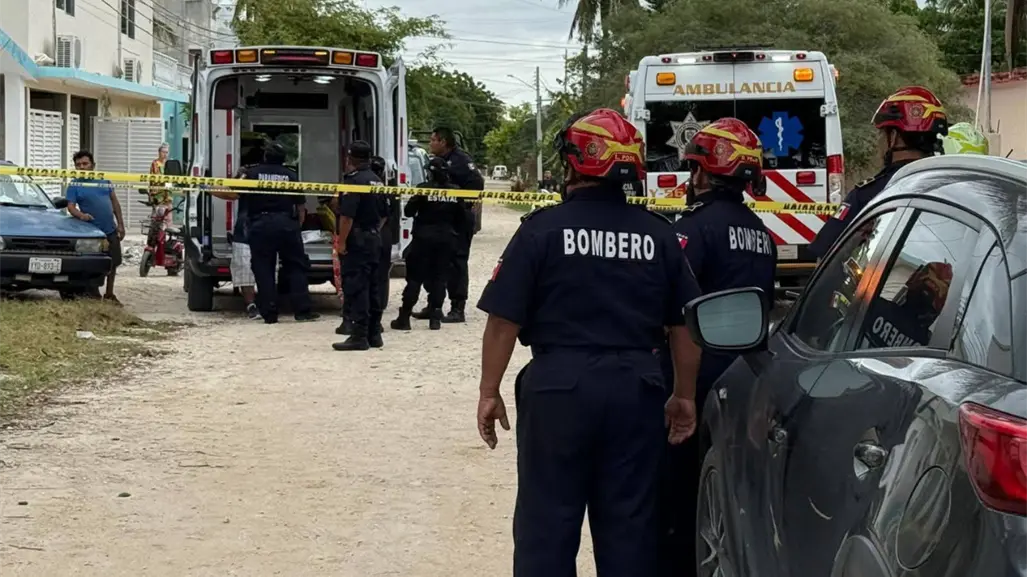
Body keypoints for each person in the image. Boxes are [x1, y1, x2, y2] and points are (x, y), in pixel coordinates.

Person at [475, 107, 704, 577]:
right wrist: (683, 395)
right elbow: (685, 326)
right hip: (636, 389)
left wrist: (488, 390)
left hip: (557, 387)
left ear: (575, 164)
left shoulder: (541, 229)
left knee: (547, 522)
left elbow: (503, 320)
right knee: (630, 525)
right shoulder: (659, 236)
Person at [657, 118, 778, 577]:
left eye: (694, 169)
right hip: (744, 378)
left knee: (677, 494)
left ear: (705, 174)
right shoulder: (762, 235)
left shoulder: (693, 229)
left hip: (695, 377)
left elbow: (670, 305)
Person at [809, 86, 948, 258]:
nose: (879, 143)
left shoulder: (868, 195)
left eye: (882, 135)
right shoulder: (952, 190)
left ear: (894, 137)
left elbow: (824, 251)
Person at [238, 143, 319, 324]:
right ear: (283, 159)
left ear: (265, 156)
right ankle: (302, 311)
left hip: (260, 224)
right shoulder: (291, 175)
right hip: (286, 224)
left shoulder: (252, 173)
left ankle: (269, 313)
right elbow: (300, 207)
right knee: (296, 266)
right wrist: (296, 227)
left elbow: (236, 193)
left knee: (263, 268)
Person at [413, 127, 485, 324]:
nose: (430, 143)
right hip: (440, 220)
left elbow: (477, 185)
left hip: (458, 220)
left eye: (433, 140)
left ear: (443, 142)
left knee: (456, 262)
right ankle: (434, 304)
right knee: (432, 261)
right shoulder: (438, 161)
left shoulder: (461, 161)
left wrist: (463, 205)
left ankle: (457, 307)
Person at [391, 156, 468, 331]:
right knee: (440, 278)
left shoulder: (423, 189)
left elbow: (409, 212)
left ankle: (404, 317)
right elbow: (462, 218)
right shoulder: (456, 192)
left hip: (423, 240)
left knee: (415, 278)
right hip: (446, 241)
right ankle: (435, 318)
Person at [332, 141, 387, 351]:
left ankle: (358, 335)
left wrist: (343, 241)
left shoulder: (353, 181)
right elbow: (384, 215)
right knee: (373, 286)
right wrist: (372, 232)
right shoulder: (376, 181)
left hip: (358, 241)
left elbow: (347, 217)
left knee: (356, 287)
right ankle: (374, 333)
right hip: (374, 238)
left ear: (350, 157)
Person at [66, 150, 126, 304]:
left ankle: (110, 294)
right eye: (78, 165)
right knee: (95, 263)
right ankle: (94, 294)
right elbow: (71, 207)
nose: (82, 167)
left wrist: (120, 224)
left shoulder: (103, 181)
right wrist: (82, 216)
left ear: (93, 165)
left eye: (85, 164)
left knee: (114, 262)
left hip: (110, 229)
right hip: (92, 232)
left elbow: (115, 203)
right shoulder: (74, 184)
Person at [228, 146, 265, 320]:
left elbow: (233, 193)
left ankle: (251, 305)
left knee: (244, 268)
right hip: (268, 226)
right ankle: (267, 303)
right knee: (267, 267)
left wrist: (206, 187)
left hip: (246, 226)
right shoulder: (281, 173)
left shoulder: (245, 173)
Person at [149, 143, 173, 225]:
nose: (165, 154)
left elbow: (171, 179)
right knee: (156, 216)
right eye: (163, 152)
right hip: (158, 194)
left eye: (167, 152)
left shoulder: (169, 163)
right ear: (159, 152)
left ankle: (166, 233)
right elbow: (154, 178)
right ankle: (154, 235)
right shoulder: (155, 163)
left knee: (168, 216)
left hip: (167, 194)